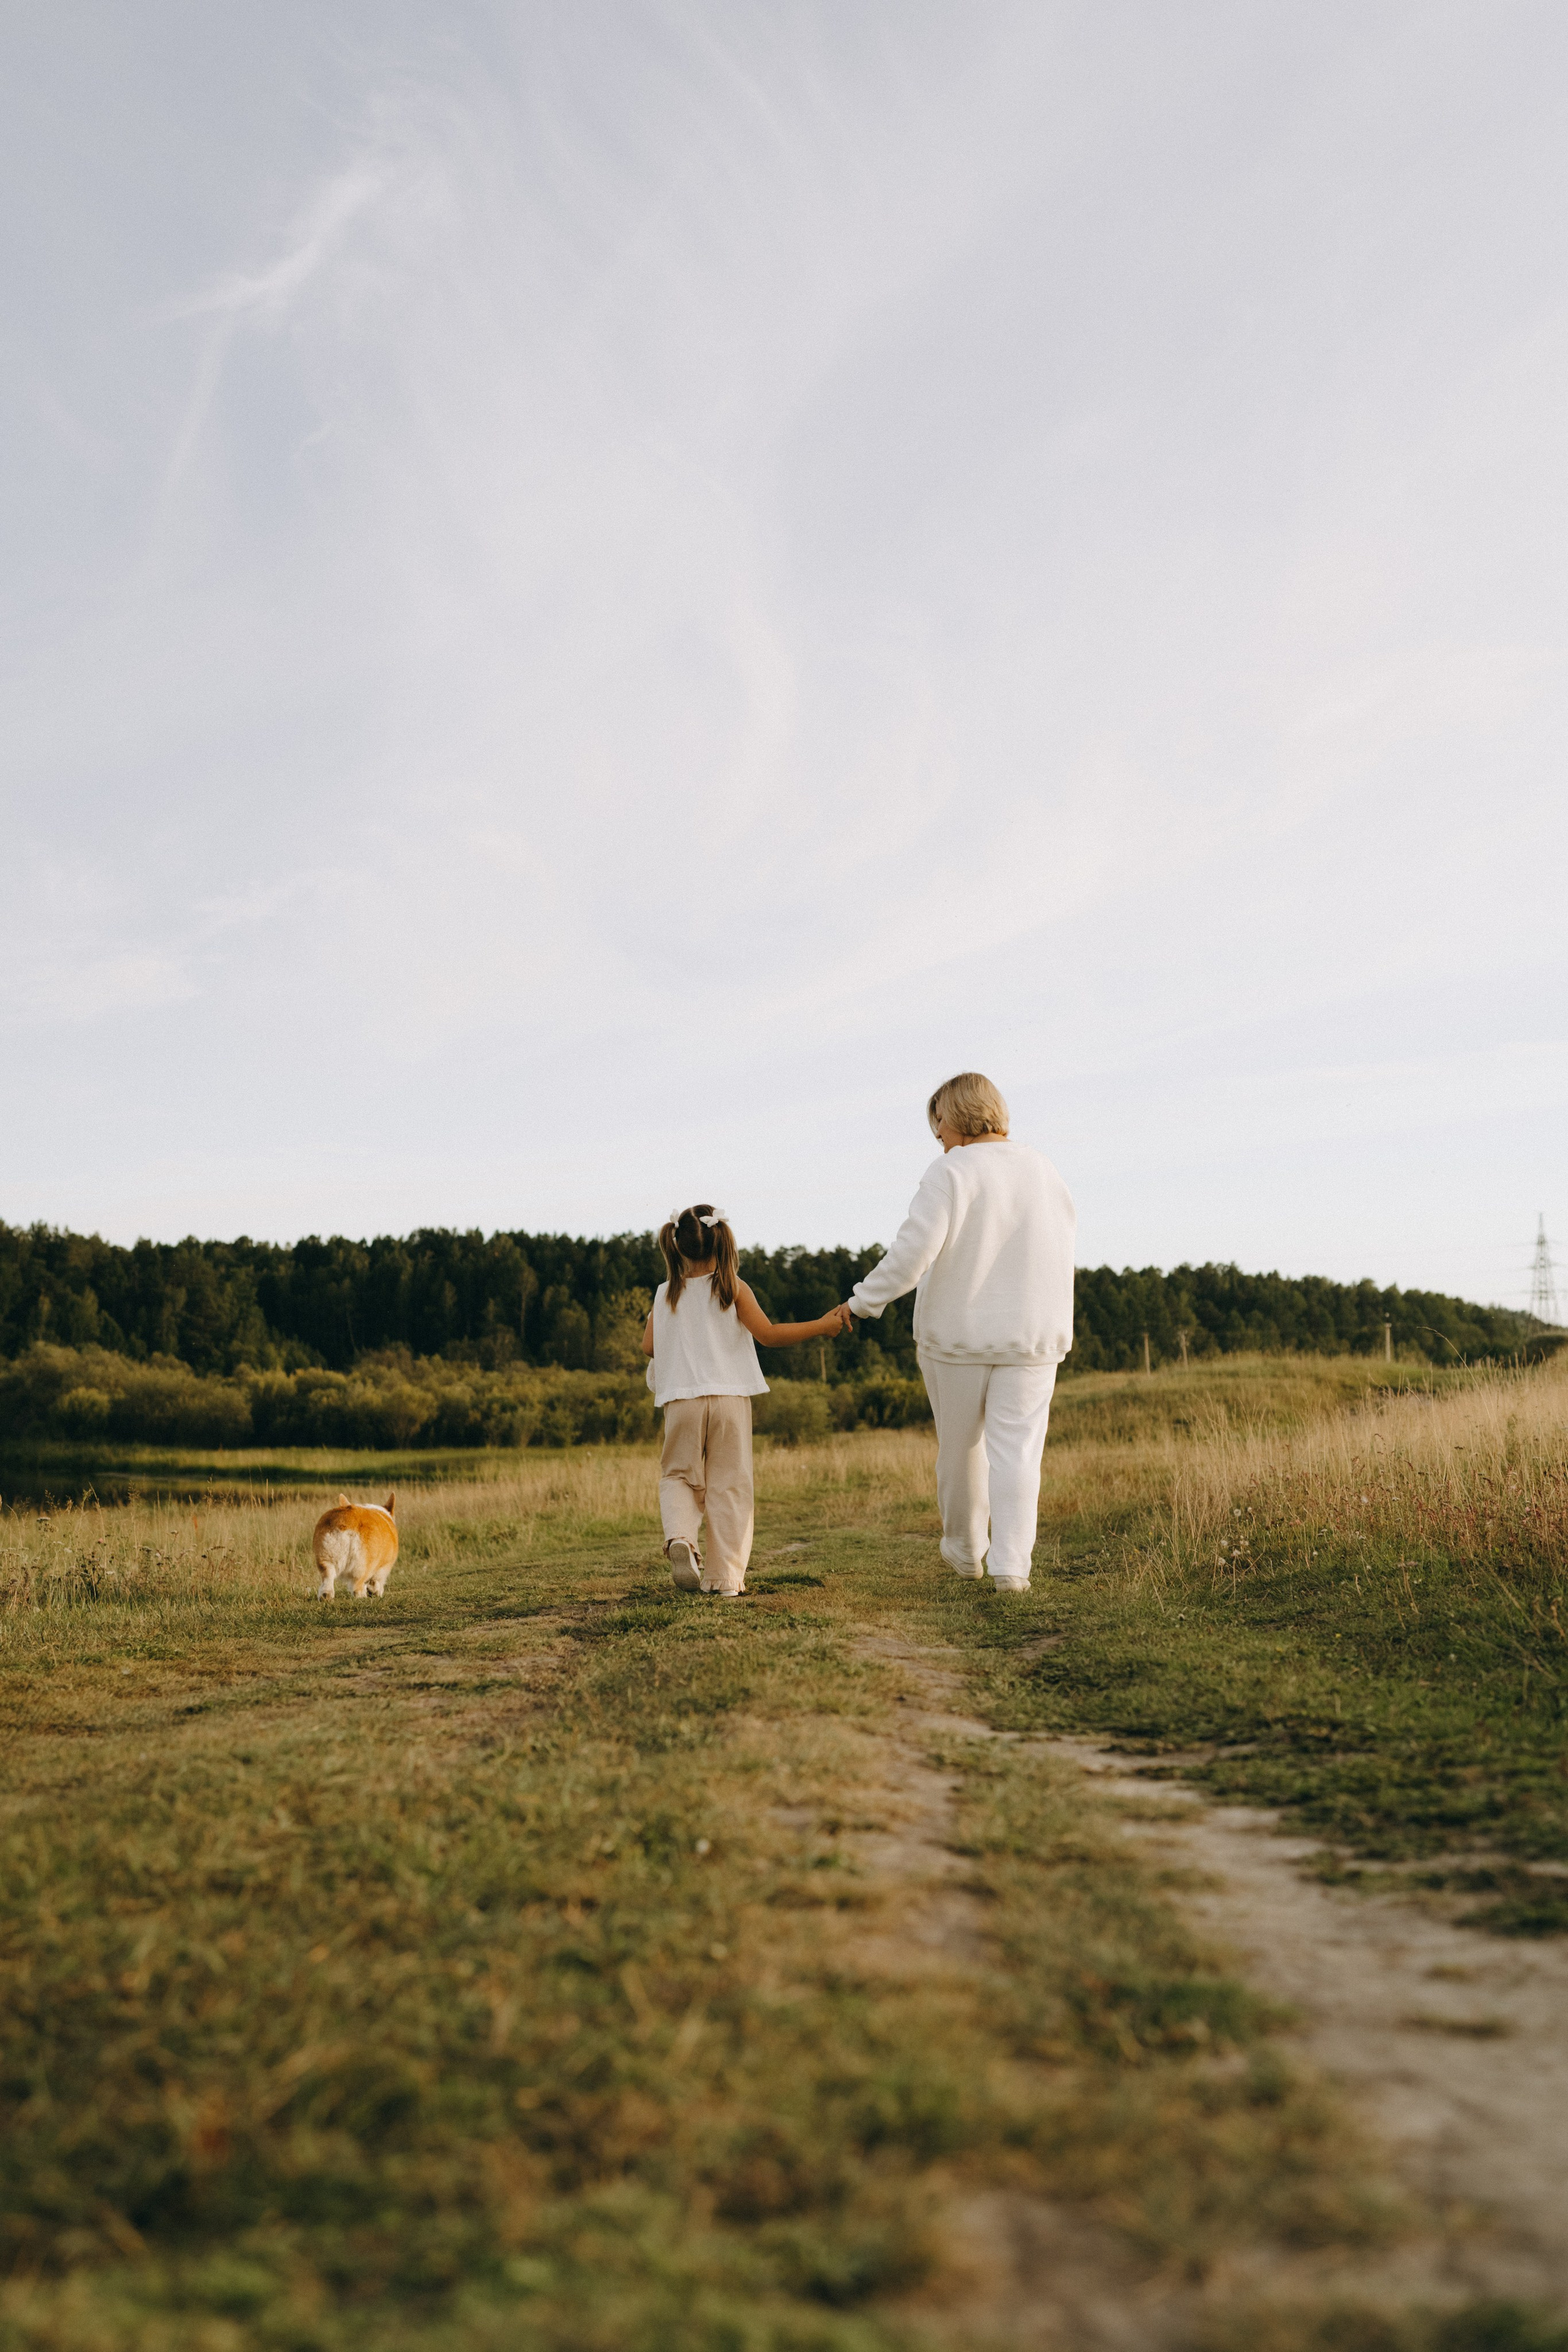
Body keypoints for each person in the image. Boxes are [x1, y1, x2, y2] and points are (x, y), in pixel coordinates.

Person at [842, 1074, 1075, 1593]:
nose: (938, 1136)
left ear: (962, 1115)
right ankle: (1012, 1570)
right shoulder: (1044, 1169)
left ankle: (967, 1551)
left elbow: (911, 1254)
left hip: (958, 1340)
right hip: (1034, 1337)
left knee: (960, 1450)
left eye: (939, 1122)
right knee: (1018, 1455)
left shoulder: (951, 1171)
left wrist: (862, 1302)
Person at [643, 1205, 848, 1596]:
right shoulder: (733, 1286)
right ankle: (724, 1580)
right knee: (730, 1486)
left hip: (682, 1402)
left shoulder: (664, 1293)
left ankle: (682, 1538)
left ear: (678, 1245)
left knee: (678, 1476)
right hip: (730, 1400)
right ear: (721, 1241)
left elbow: (649, 1346)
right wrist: (822, 1326)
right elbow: (769, 1335)